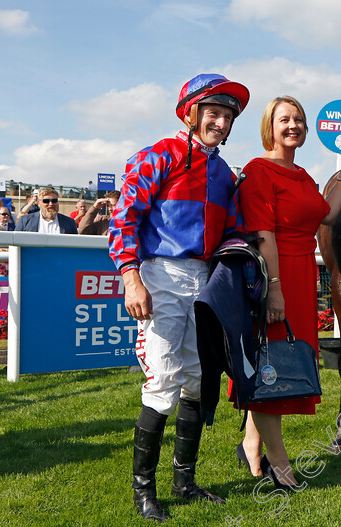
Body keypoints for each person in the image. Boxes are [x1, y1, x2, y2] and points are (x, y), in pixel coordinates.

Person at [107, 73, 250, 522]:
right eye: (214, 113)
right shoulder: (157, 156)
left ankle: (184, 481)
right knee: (164, 379)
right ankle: (143, 492)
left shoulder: (224, 172)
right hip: (161, 275)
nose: (221, 122)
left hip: (204, 280)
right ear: (190, 113)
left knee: (196, 380)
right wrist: (132, 279)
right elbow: (122, 220)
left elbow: (232, 230)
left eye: (228, 116)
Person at [232, 95, 341, 488]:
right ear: (270, 125)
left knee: (281, 363)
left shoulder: (302, 176)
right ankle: (280, 467)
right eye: (285, 119)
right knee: (270, 373)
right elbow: (263, 235)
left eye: (299, 119)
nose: (294, 125)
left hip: (302, 274)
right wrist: (274, 290)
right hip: (275, 275)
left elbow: (327, 214)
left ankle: (251, 445)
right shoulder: (258, 170)